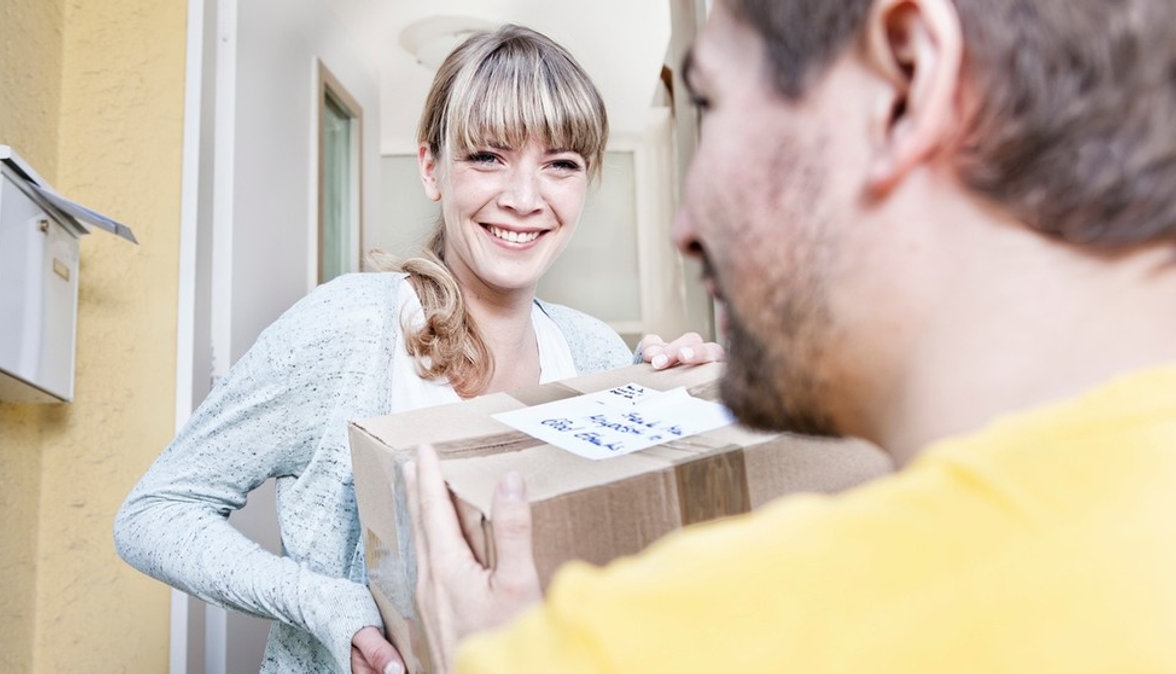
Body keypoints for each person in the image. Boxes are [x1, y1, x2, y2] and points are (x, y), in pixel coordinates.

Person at [407, 0, 1176, 671]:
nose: (684, 227)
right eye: (487, 156)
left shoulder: (608, 650)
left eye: (711, 104)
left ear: (905, 83)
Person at [114, 24, 719, 674]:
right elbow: (154, 513)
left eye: (561, 163)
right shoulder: (347, 330)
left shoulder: (597, 350)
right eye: (487, 156)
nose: (523, 198)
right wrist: (329, 605)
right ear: (431, 169)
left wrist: (689, 401)